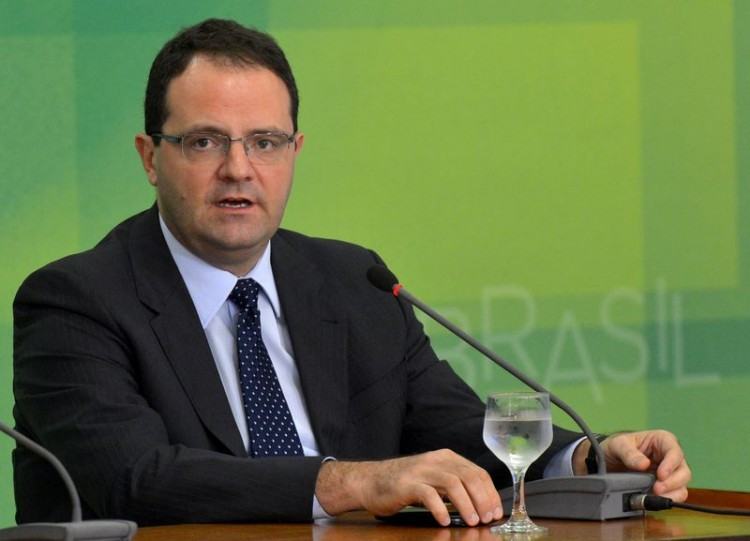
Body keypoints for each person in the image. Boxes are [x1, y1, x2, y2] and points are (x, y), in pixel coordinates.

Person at [12, 18, 691, 527]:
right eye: (204, 141)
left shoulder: (351, 280)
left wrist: (588, 459)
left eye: (266, 142)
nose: (239, 169)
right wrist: (350, 482)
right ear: (150, 156)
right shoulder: (76, 301)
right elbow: (135, 478)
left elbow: (450, 424)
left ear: (295, 150)